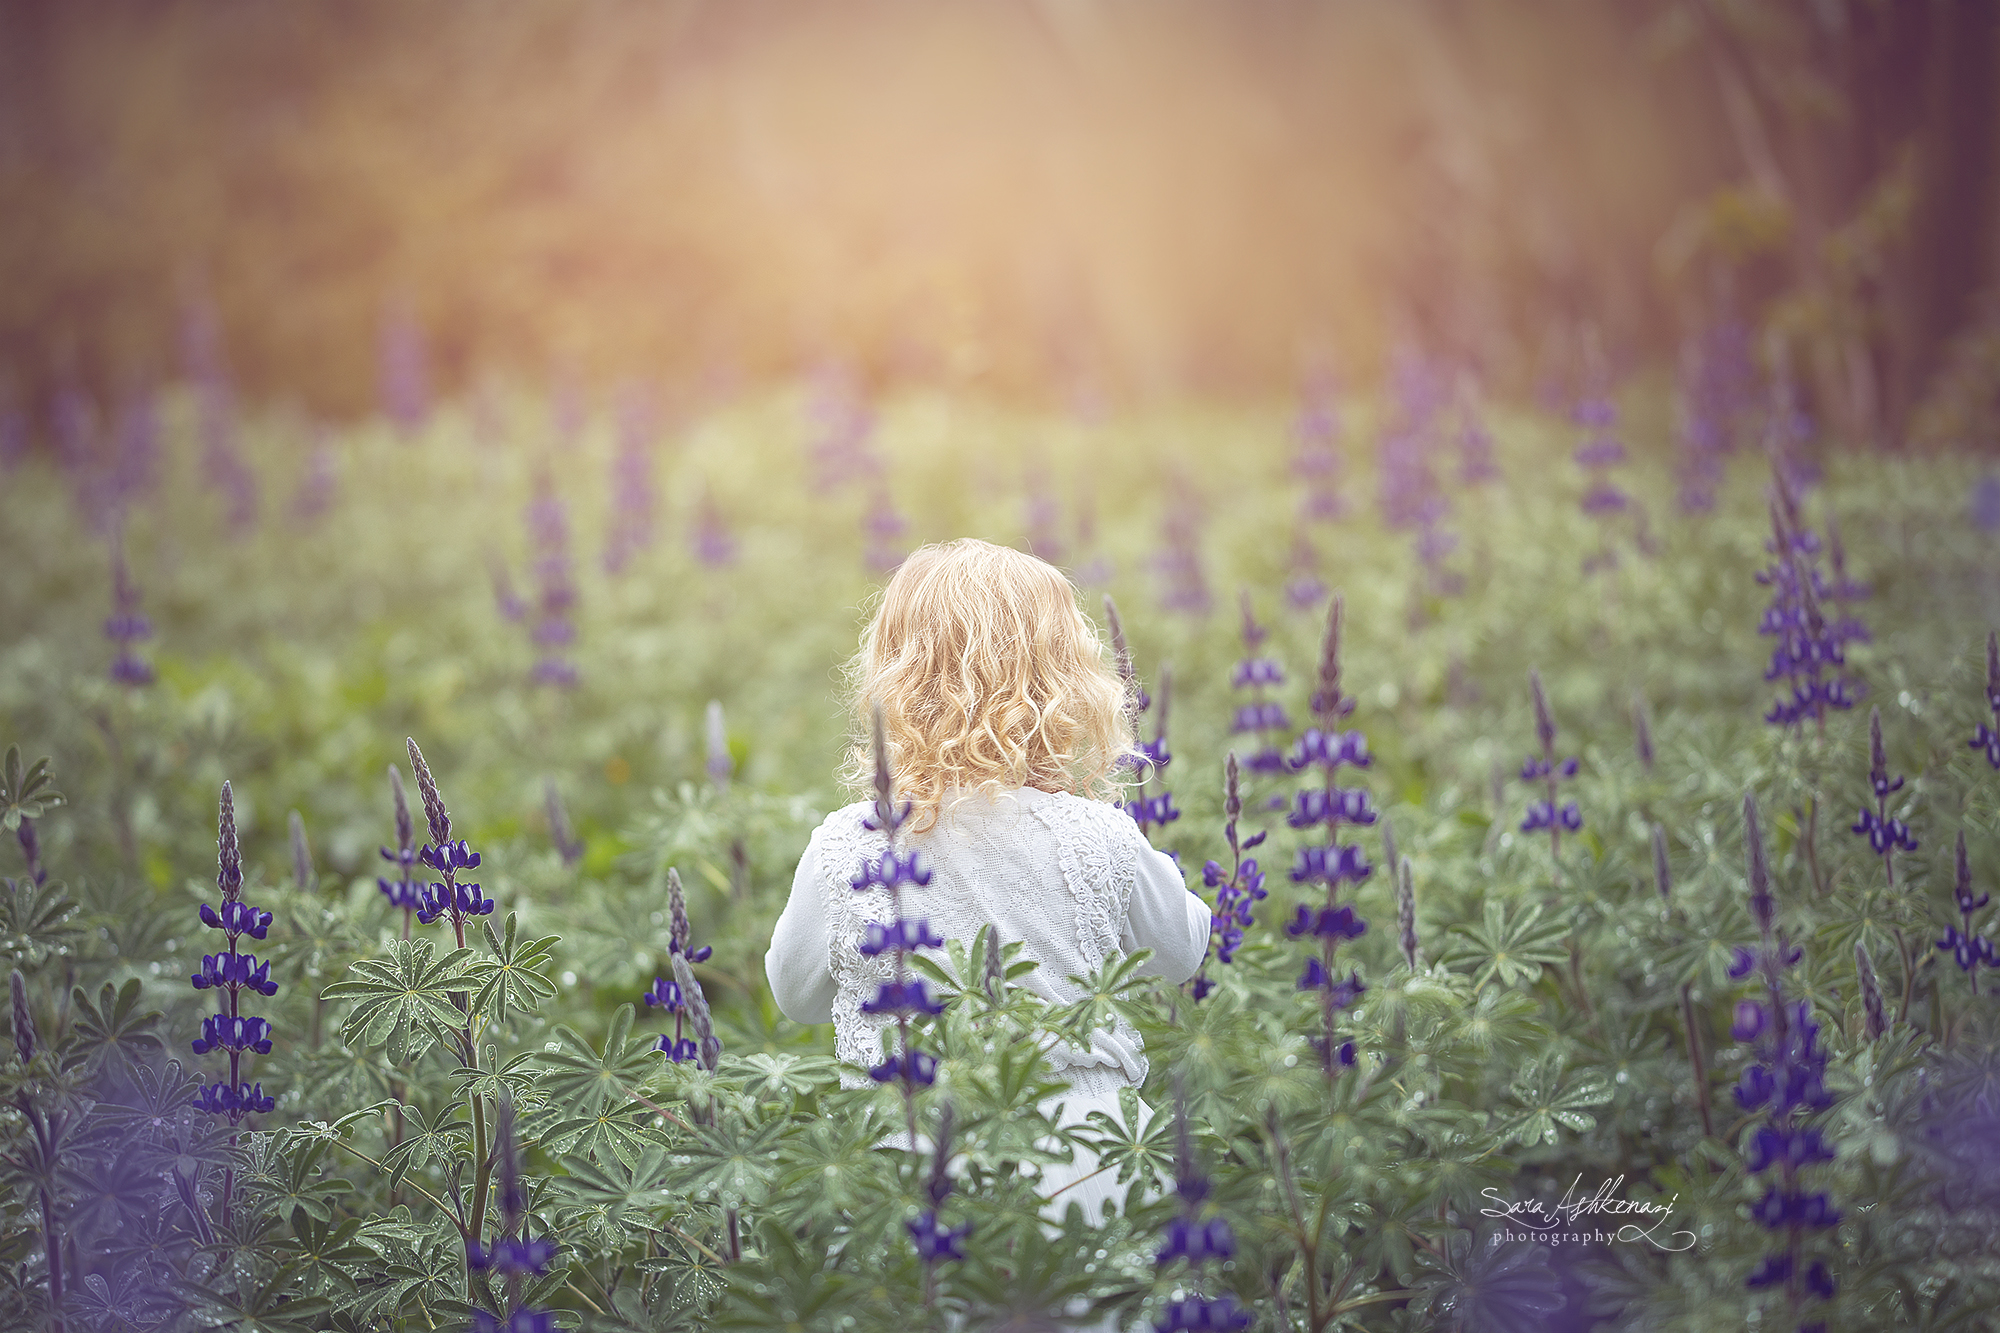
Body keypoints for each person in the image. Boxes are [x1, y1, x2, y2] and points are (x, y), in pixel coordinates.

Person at [764, 537, 1211, 1225]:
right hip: (1091, 1161)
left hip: (908, 1162)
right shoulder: (1096, 833)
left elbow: (794, 993)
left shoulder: (847, 844)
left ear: (895, 682)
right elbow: (1183, 951)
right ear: (1063, 683)